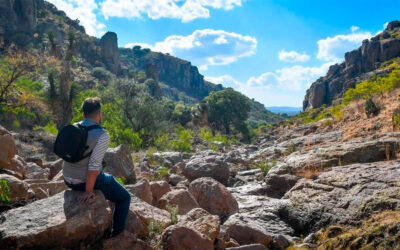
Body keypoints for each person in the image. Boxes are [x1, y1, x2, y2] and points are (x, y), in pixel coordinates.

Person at [62, 97, 131, 237]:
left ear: (83, 114)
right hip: (82, 183)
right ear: (99, 114)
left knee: (106, 179)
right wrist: (88, 191)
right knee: (125, 197)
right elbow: (93, 166)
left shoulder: (74, 127)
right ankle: (117, 236)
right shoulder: (102, 134)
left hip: (67, 179)